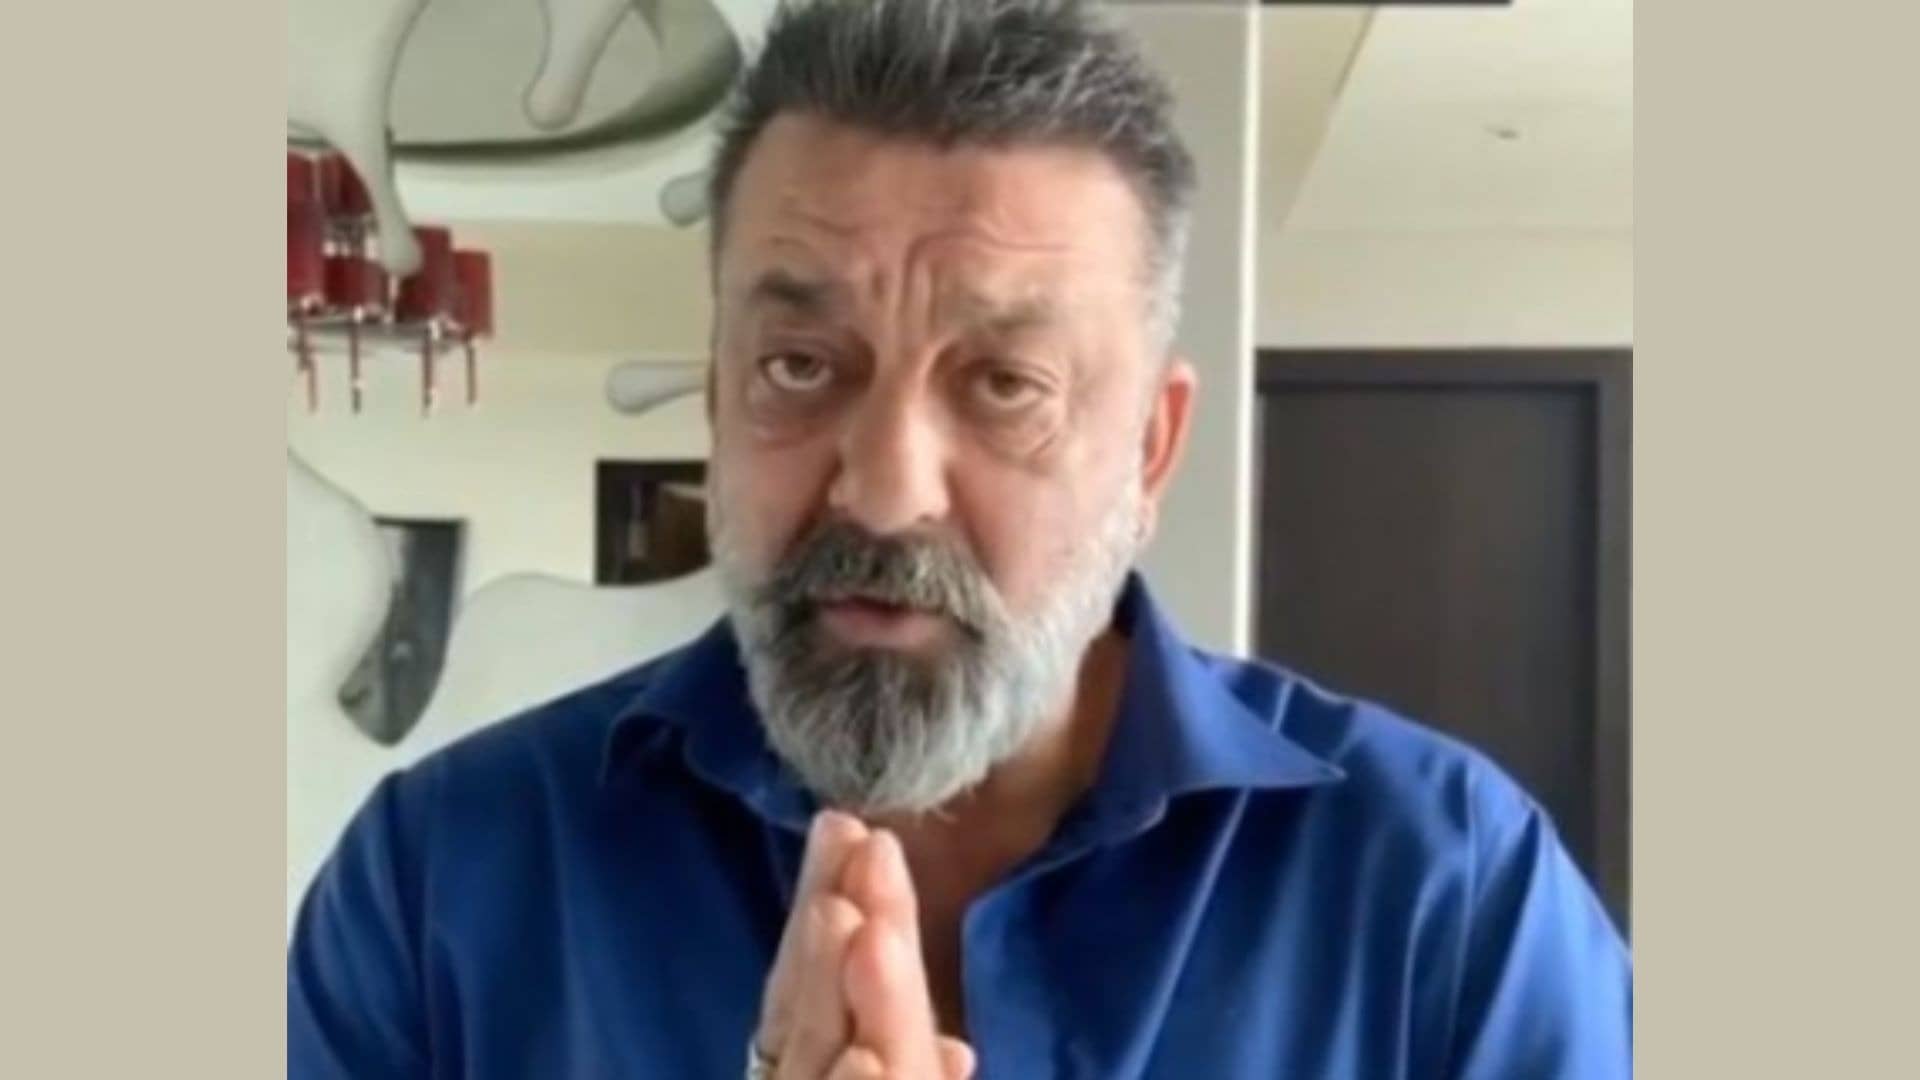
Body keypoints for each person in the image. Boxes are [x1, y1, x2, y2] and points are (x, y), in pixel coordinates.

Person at [287, 1, 1632, 1076]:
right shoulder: (436, 887)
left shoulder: (1449, 898)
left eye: (1003, 384)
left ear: (1150, 449)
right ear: (716, 398)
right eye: (800, 366)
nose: (883, 493)